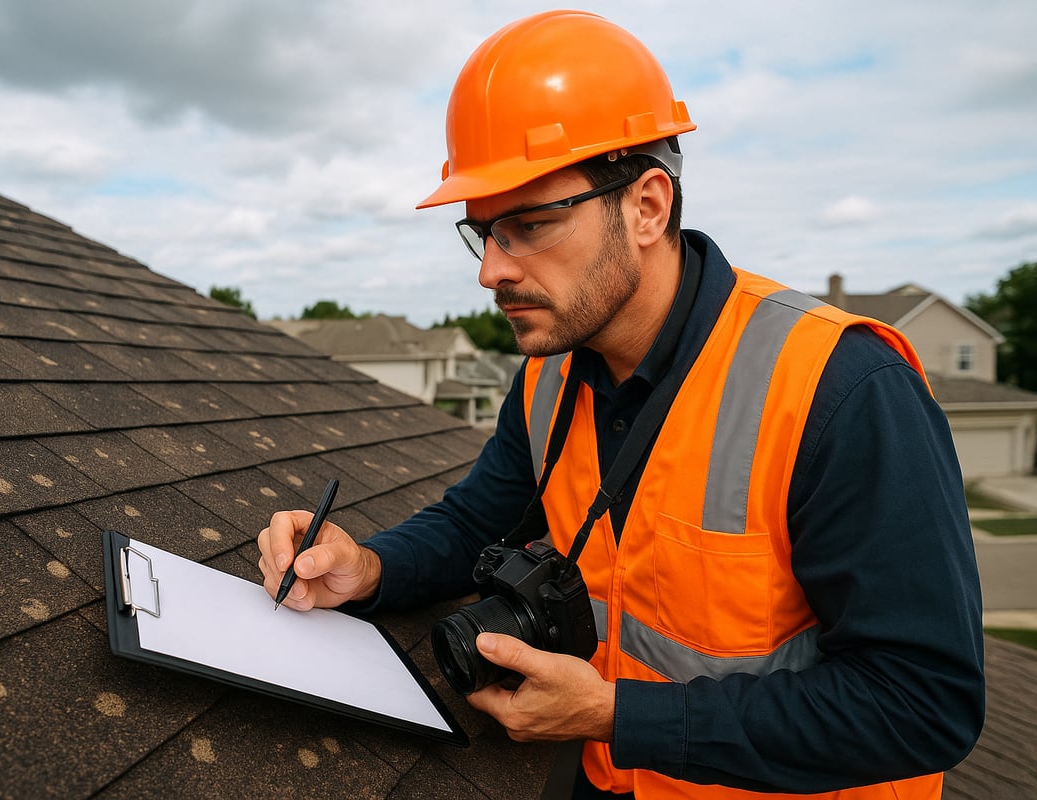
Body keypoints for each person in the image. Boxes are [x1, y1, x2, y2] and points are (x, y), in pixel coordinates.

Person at [257, 10, 984, 799]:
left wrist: (617, 715)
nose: (490, 271)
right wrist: (367, 568)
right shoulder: (550, 375)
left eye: (529, 225)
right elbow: (477, 521)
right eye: (483, 234)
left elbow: (923, 704)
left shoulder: (840, 388)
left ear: (647, 207)